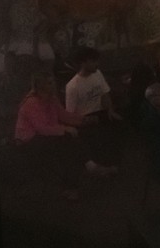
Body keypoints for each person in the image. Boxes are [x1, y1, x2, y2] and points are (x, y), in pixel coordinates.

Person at [15, 72, 114, 200]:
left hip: (44, 136)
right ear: (40, 85)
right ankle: (88, 168)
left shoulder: (52, 99)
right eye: (50, 83)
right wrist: (65, 129)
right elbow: (42, 128)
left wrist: (84, 120)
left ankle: (75, 183)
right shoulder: (31, 103)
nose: (54, 85)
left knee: (70, 144)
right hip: (27, 140)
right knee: (68, 143)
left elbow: (64, 116)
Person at [64, 46, 122, 167]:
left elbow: (104, 93)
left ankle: (115, 163)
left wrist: (110, 110)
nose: (97, 64)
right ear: (83, 62)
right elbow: (70, 114)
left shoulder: (97, 74)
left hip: (100, 112)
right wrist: (84, 122)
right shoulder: (73, 86)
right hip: (85, 118)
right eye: (93, 61)